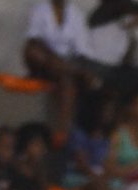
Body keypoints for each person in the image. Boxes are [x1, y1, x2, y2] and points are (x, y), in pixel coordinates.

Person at [23, 0, 99, 143]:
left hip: (64, 69)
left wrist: (67, 64)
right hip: (44, 63)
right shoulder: (39, 9)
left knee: (67, 80)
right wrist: (56, 60)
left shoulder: (76, 15)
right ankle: (73, 71)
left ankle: (63, 132)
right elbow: (34, 41)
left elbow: (83, 51)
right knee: (33, 51)